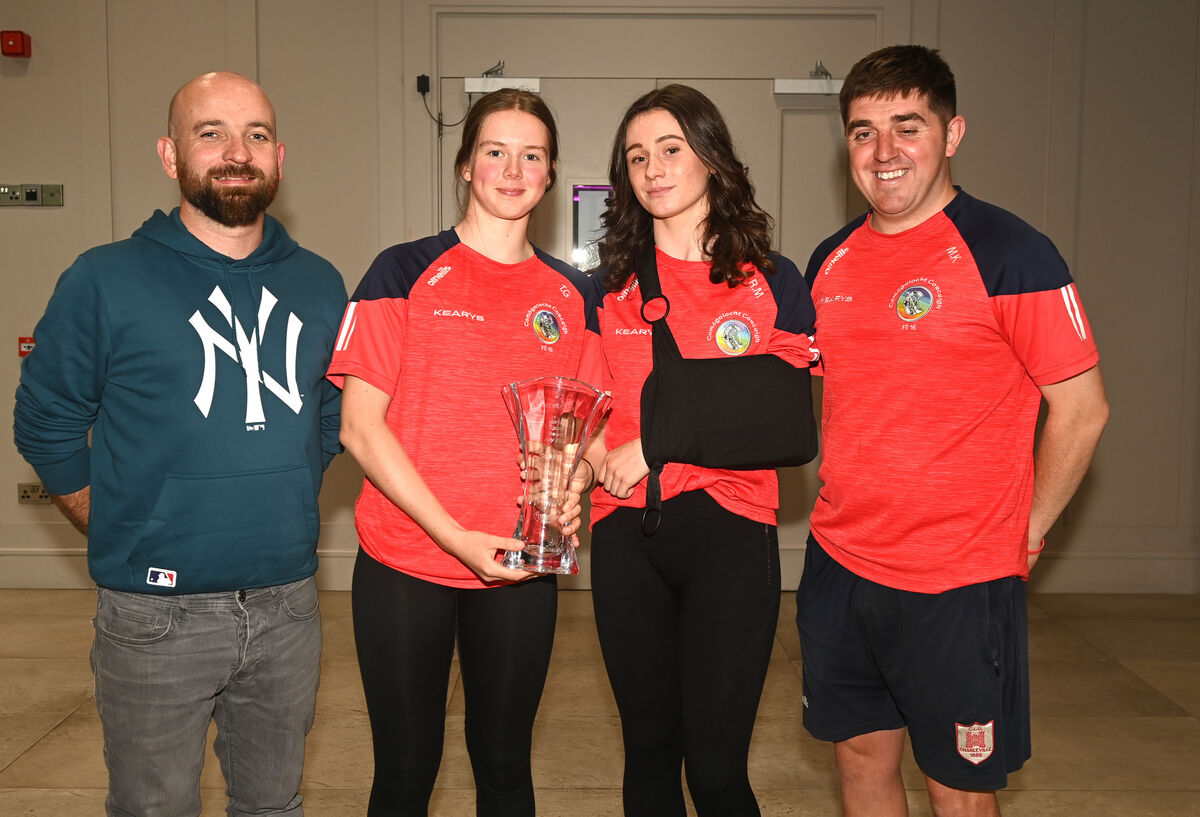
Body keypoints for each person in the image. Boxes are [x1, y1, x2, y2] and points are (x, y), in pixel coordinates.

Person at [13, 71, 347, 816]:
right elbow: (45, 418)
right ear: (170, 155)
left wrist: (281, 486)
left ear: (280, 156)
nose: (237, 151)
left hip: (288, 607)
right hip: (153, 617)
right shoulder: (105, 279)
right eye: (212, 133)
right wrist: (114, 523)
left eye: (256, 135)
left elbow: (331, 416)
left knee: (274, 804)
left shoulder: (321, 285)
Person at [795, 45, 1110, 817]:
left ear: (953, 132)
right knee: (862, 755)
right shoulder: (828, 261)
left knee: (958, 786)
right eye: (864, 131)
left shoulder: (1012, 252)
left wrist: (1027, 530)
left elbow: (1083, 407)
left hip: (958, 580)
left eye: (908, 126)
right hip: (841, 562)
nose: (884, 151)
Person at [326, 88, 602, 816]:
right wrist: (453, 538)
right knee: (407, 768)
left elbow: (585, 427)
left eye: (531, 155)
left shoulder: (575, 295)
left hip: (518, 565)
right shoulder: (400, 270)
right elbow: (359, 426)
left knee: (506, 763)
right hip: (405, 560)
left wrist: (573, 482)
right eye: (495, 151)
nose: (513, 169)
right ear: (464, 165)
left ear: (549, 175)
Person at [581, 84, 819, 816]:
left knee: (715, 768)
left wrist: (657, 442)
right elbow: (582, 413)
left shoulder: (774, 282)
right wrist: (595, 454)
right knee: (649, 753)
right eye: (637, 156)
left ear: (712, 157)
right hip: (626, 537)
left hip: (732, 535)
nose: (653, 168)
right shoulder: (606, 288)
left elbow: (783, 419)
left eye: (671, 149)